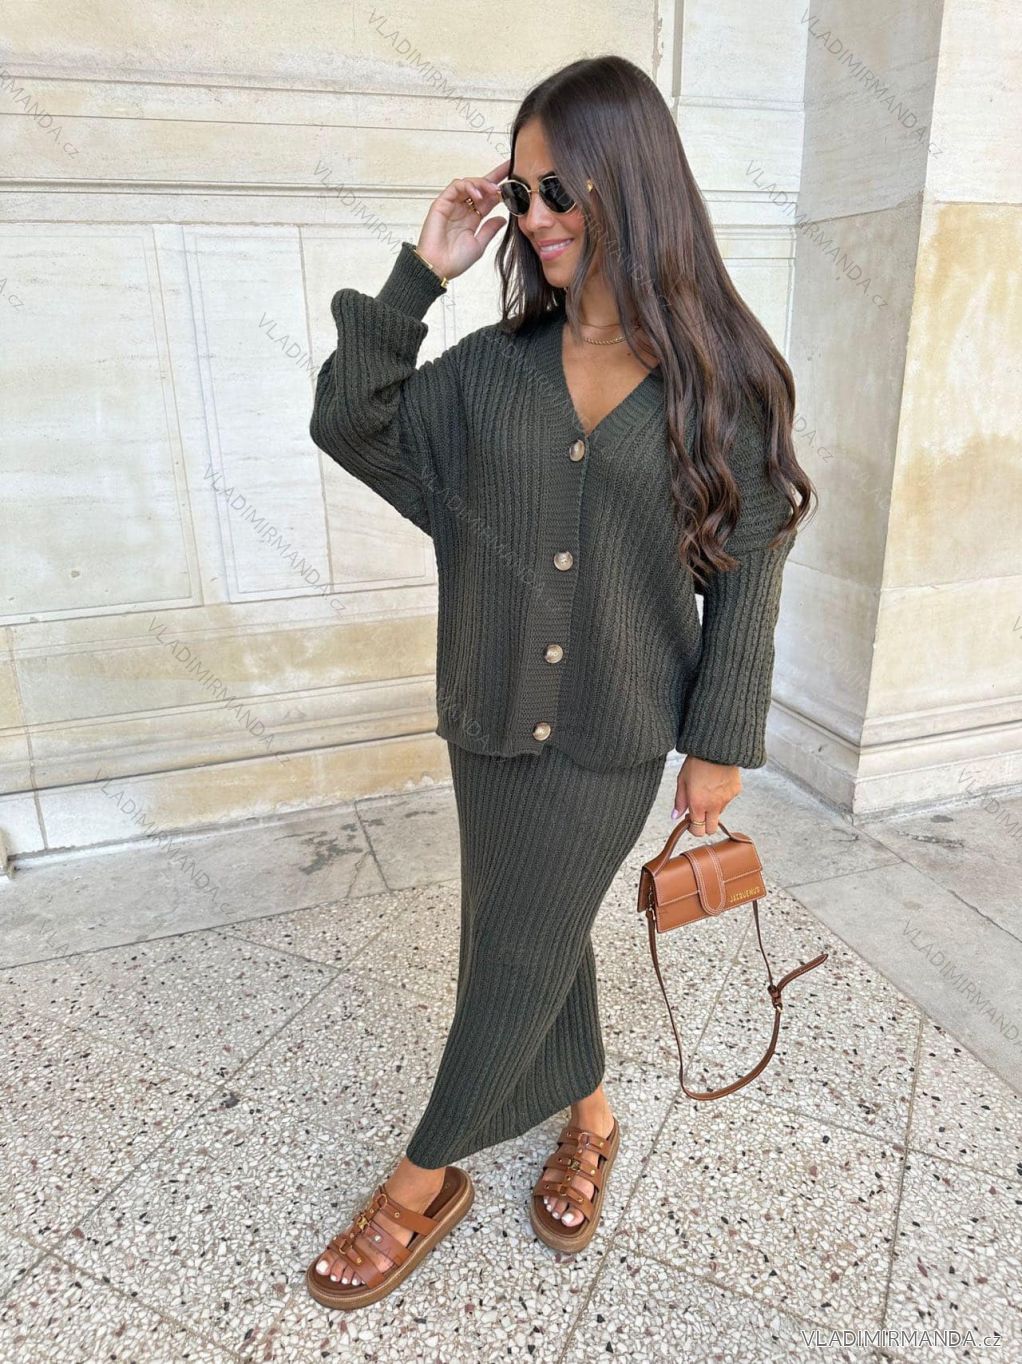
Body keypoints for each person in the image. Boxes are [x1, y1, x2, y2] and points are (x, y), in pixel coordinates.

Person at [304, 53, 814, 1311]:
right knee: (532, 928)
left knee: (510, 951)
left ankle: (419, 1179)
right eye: (520, 191)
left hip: (613, 730)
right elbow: (349, 421)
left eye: (558, 189)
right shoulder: (489, 372)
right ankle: (588, 1113)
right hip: (485, 718)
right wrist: (422, 272)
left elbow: (748, 567)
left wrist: (718, 741)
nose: (534, 216)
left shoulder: (717, 381)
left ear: (628, 184)